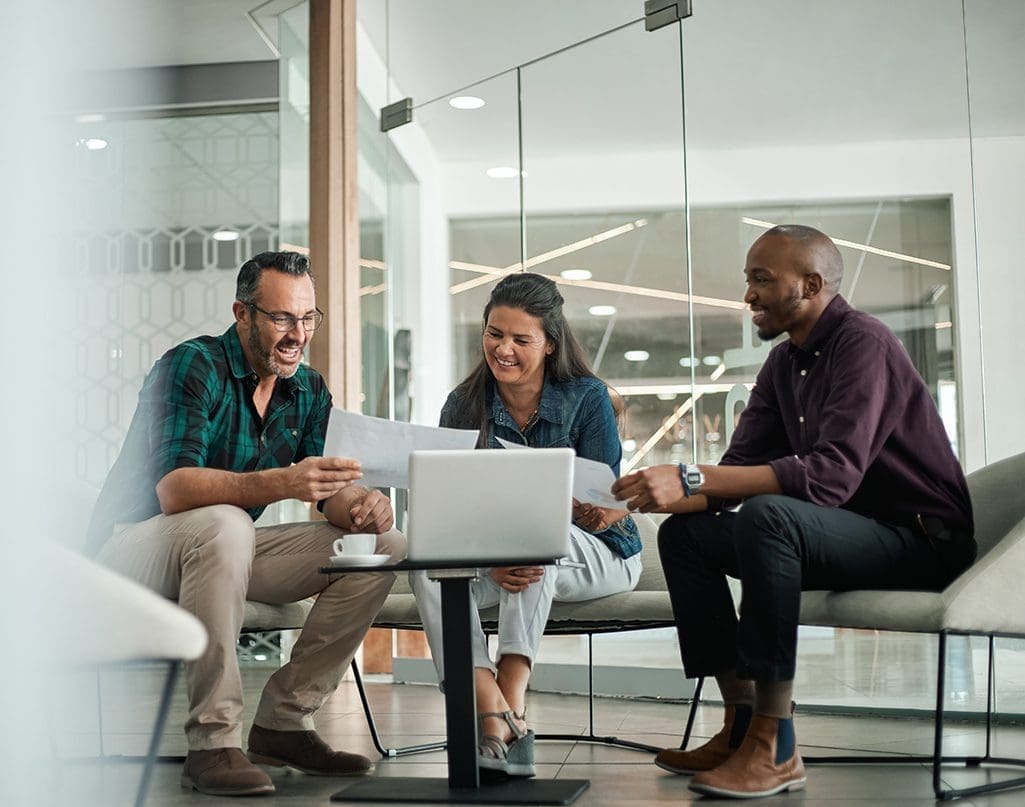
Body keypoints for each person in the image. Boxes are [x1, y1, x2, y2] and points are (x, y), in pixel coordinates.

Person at [613, 224, 975, 800]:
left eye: (761, 279)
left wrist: (690, 475)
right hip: (843, 534)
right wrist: (642, 496)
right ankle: (739, 724)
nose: (749, 295)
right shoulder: (784, 365)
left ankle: (776, 745)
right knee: (687, 536)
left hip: (921, 541)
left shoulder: (866, 344)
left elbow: (829, 476)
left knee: (769, 516)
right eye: (748, 280)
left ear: (809, 284)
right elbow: (735, 475)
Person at [86, 251, 405, 797]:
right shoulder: (192, 366)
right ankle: (212, 742)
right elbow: (175, 490)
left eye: (308, 319)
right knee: (227, 522)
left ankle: (284, 721)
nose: (296, 335)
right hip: (132, 550)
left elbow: (320, 488)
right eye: (282, 318)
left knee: (382, 544)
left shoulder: (307, 390)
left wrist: (359, 505)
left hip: (220, 547)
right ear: (242, 313)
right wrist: (286, 481)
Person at [411, 272, 643, 777]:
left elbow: (609, 497)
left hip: (598, 551)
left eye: (521, 339)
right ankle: (492, 709)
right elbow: (451, 504)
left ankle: (506, 701)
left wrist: (593, 508)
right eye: (495, 334)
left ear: (550, 344)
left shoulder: (586, 397)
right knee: (425, 565)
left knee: (533, 539)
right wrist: (489, 558)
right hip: (499, 556)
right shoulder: (463, 403)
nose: (504, 349)